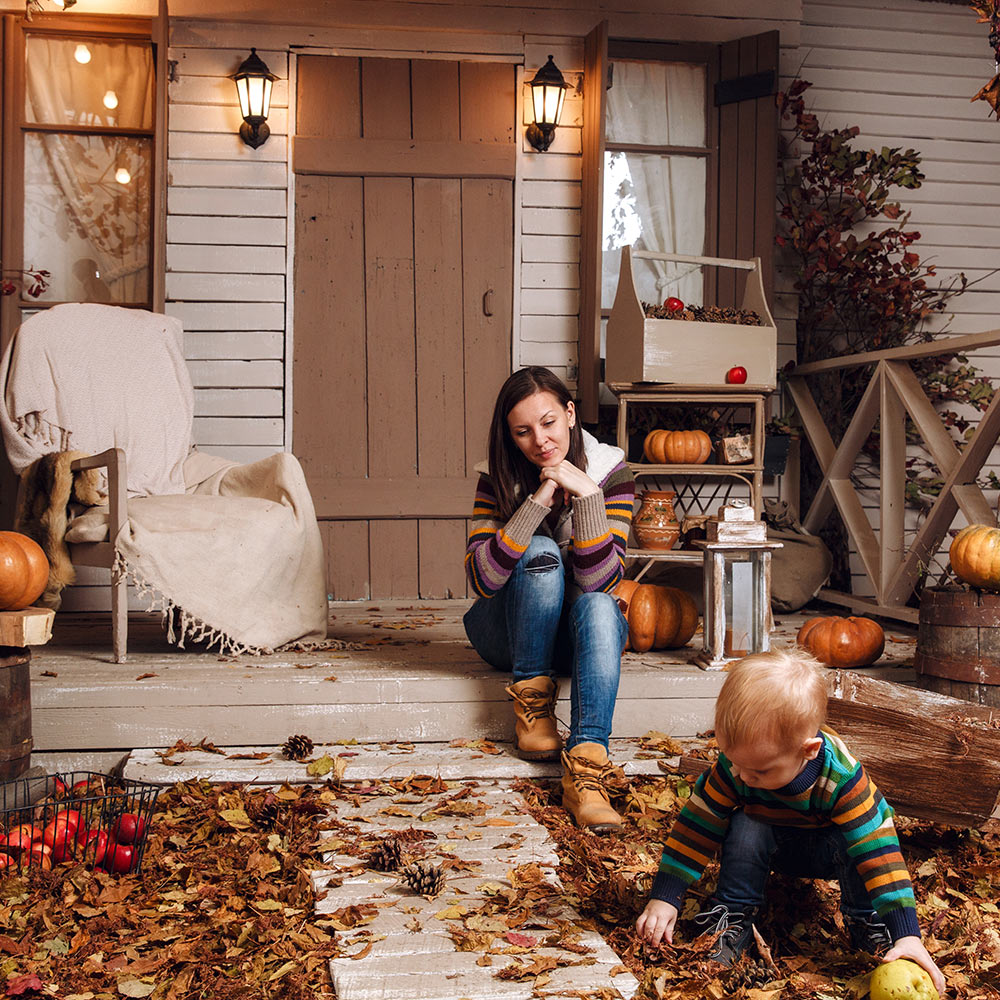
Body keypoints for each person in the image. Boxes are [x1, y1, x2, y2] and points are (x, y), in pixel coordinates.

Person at [635, 649, 946, 996]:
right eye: (736, 763)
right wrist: (666, 895)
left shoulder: (842, 779)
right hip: (770, 846)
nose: (744, 776)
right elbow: (696, 826)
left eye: (759, 770)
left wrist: (908, 934)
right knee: (746, 825)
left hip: (831, 853)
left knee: (860, 841)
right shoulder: (737, 768)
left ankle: (867, 921)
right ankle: (733, 916)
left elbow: (881, 856)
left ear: (808, 750)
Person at [463, 366, 635, 833]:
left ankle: (586, 772)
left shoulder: (610, 473)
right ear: (510, 436)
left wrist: (588, 497)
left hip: (575, 636)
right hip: (507, 632)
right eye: (523, 431)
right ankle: (533, 708)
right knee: (539, 551)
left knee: (601, 607)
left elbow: (601, 582)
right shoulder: (494, 478)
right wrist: (538, 500)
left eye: (548, 423)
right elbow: (481, 579)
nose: (539, 440)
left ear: (571, 414)